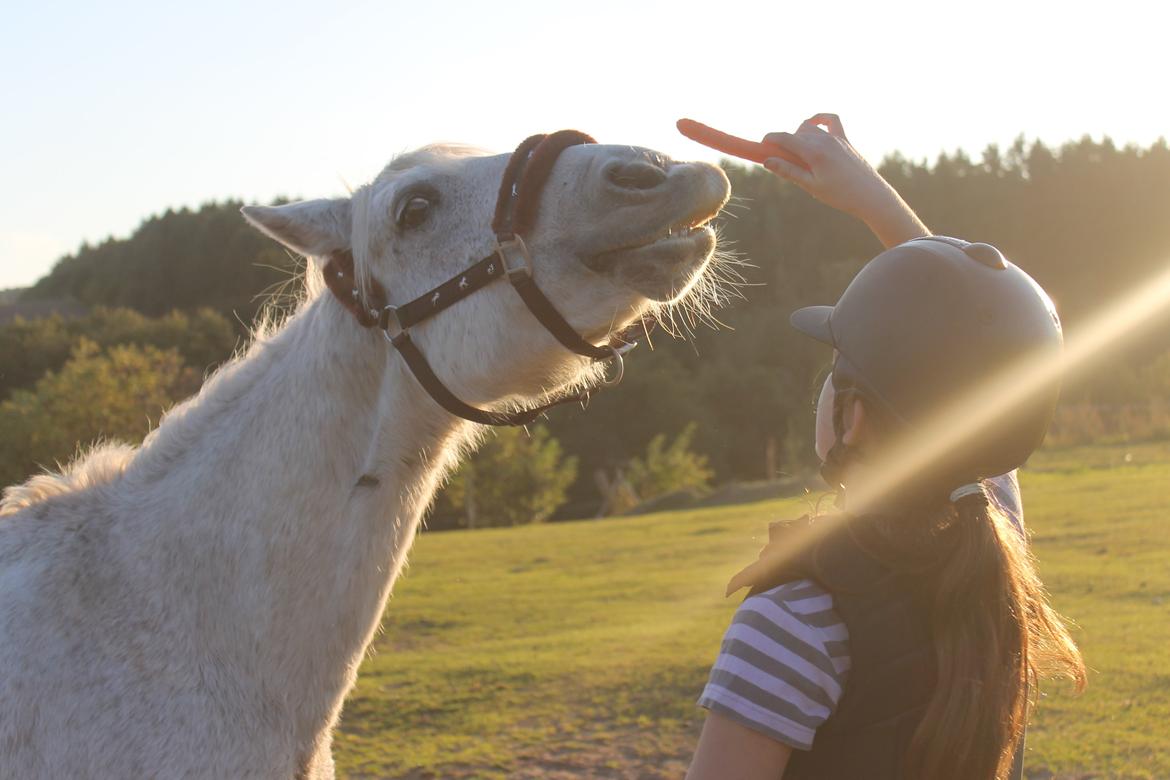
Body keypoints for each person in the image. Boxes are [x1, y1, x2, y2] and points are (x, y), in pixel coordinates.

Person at [685, 115, 1086, 780]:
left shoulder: (791, 625)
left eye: (835, 363)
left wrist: (872, 199)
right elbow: (980, 342)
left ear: (856, 417)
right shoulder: (994, 577)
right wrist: (873, 198)